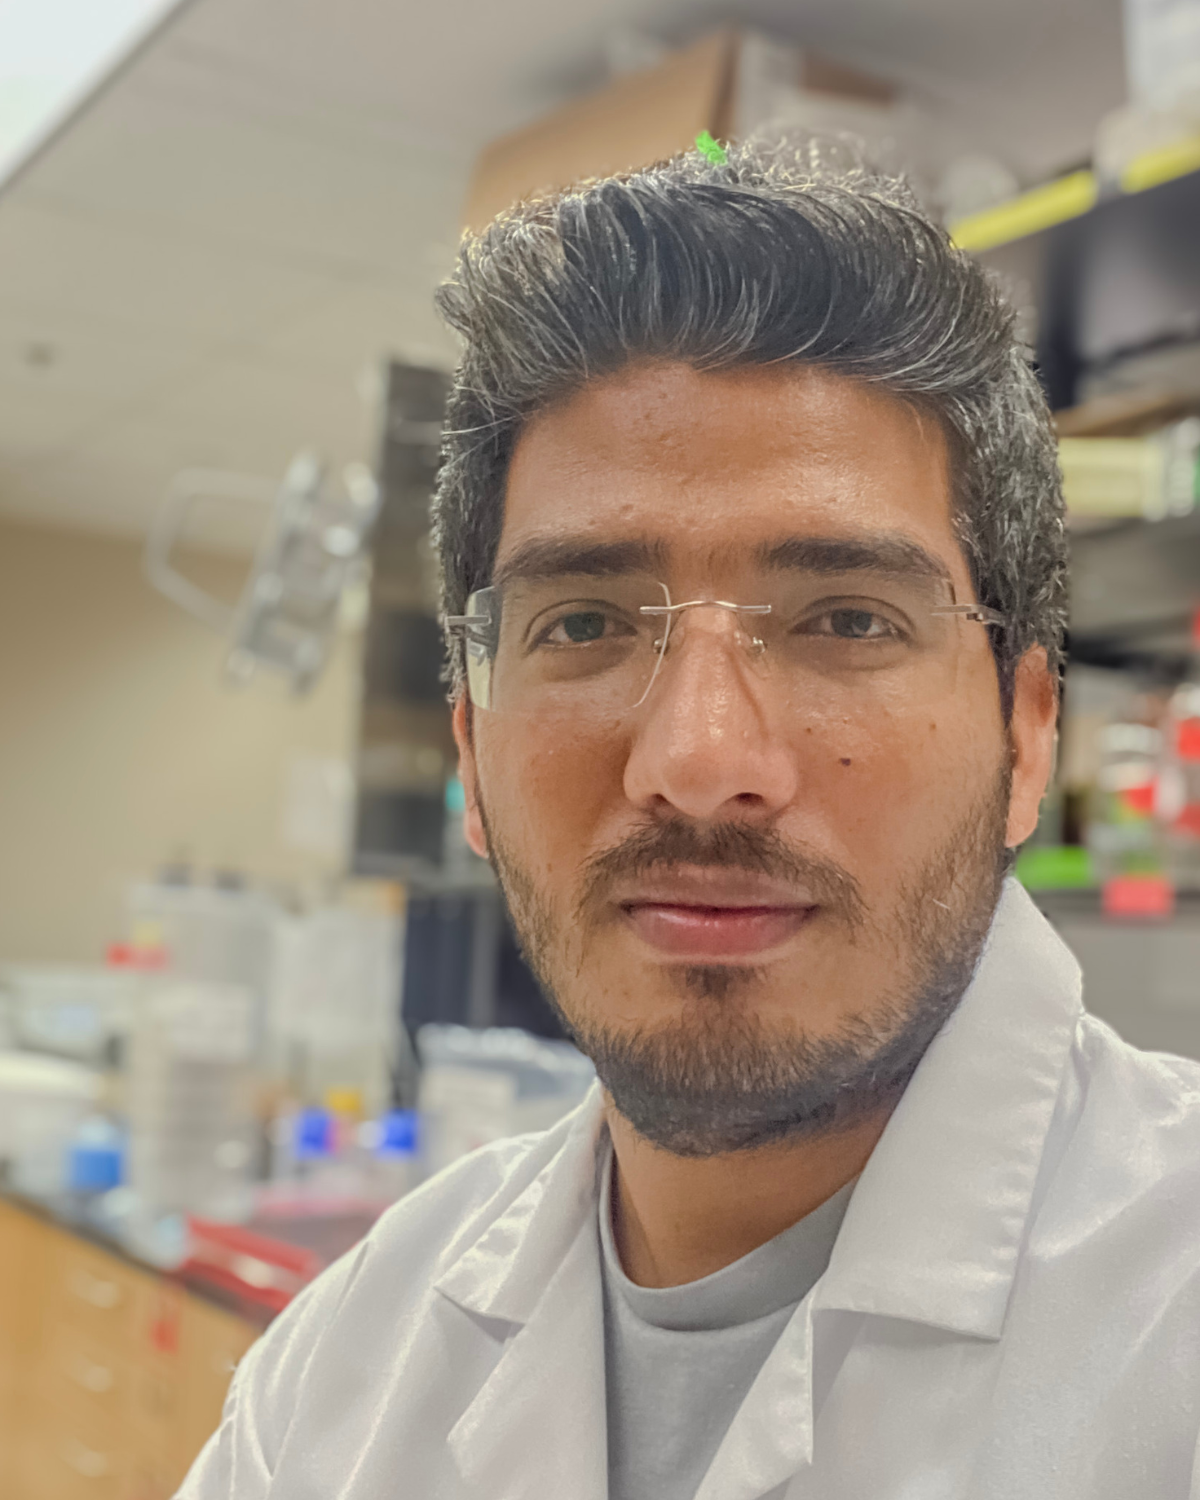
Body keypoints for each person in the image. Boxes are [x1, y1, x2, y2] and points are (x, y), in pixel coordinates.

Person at [179, 138, 1200, 1500]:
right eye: (584, 624)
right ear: (472, 748)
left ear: (1026, 737)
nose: (700, 761)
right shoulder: (338, 1377)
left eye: (847, 620)